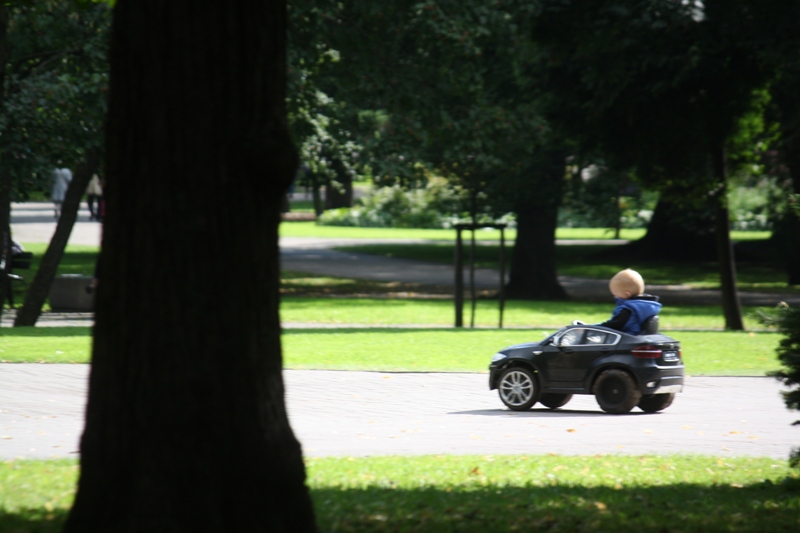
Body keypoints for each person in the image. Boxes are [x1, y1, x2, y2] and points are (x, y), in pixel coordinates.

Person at [598, 268, 662, 335]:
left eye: (616, 295)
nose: (615, 297)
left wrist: (595, 327)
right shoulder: (648, 306)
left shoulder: (628, 310)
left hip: (627, 338)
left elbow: (614, 325)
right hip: (639, 338)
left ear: (627, 294)